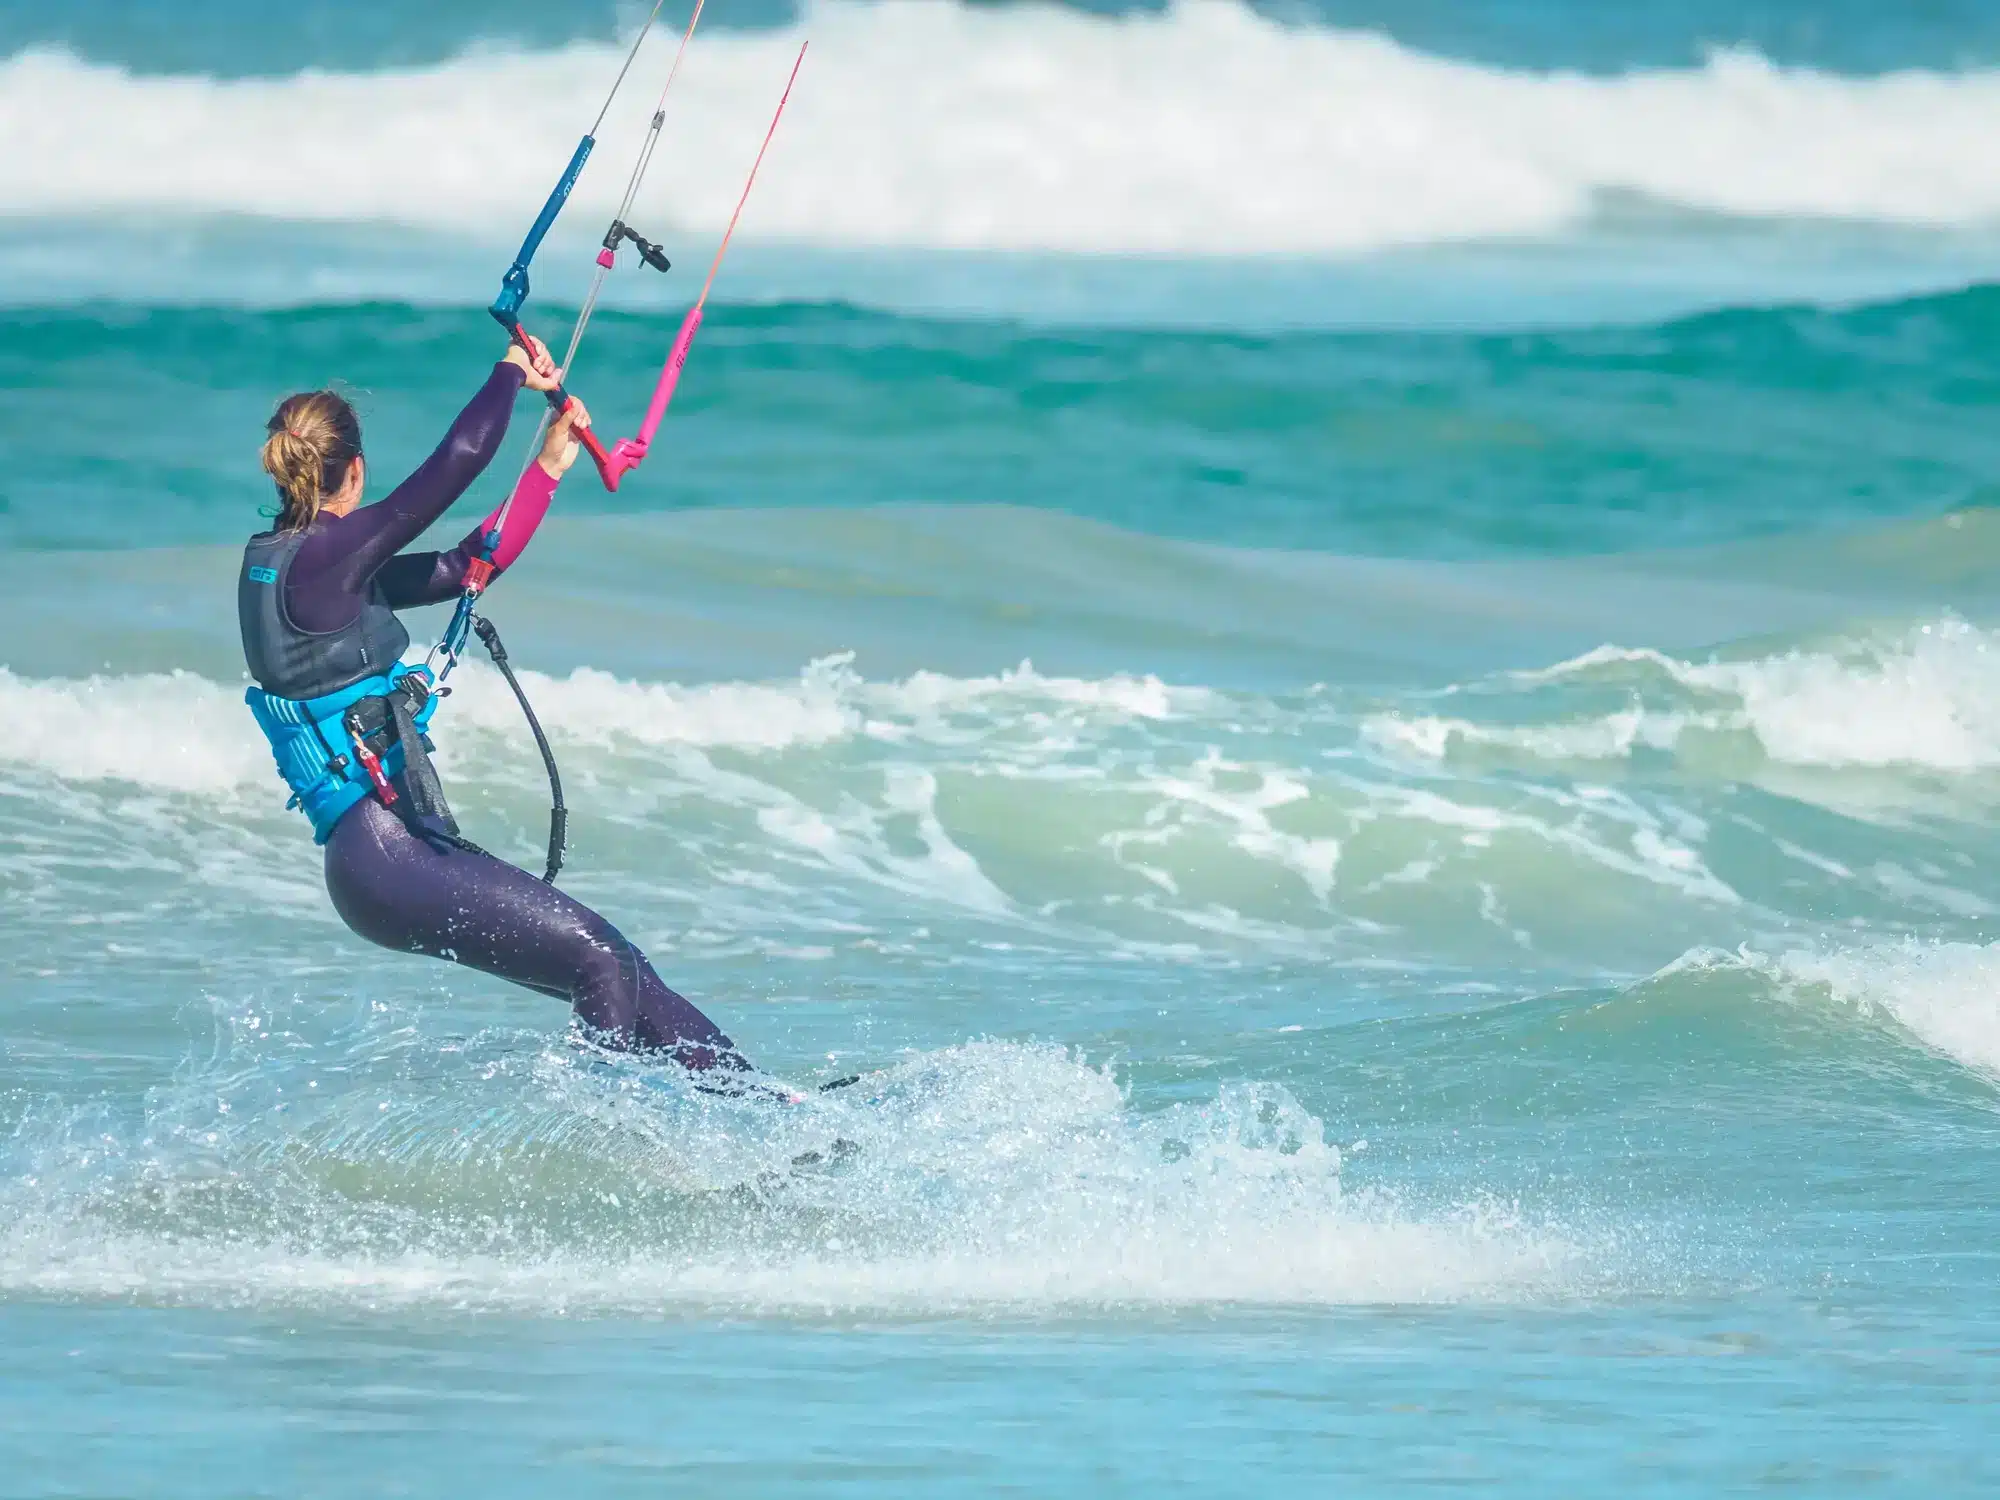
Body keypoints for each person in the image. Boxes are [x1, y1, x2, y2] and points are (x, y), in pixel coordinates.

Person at [238, 333, 750, 1077]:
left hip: (382, 855)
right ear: (355, 469)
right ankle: (603, 1134)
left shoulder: (300, 569)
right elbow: (458, 462)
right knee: (601, 962)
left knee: (620, 965)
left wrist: (544, 469)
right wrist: (511, 370)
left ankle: (761, 1110)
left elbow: (467, 565)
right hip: (384, 852)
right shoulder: (324, 559)